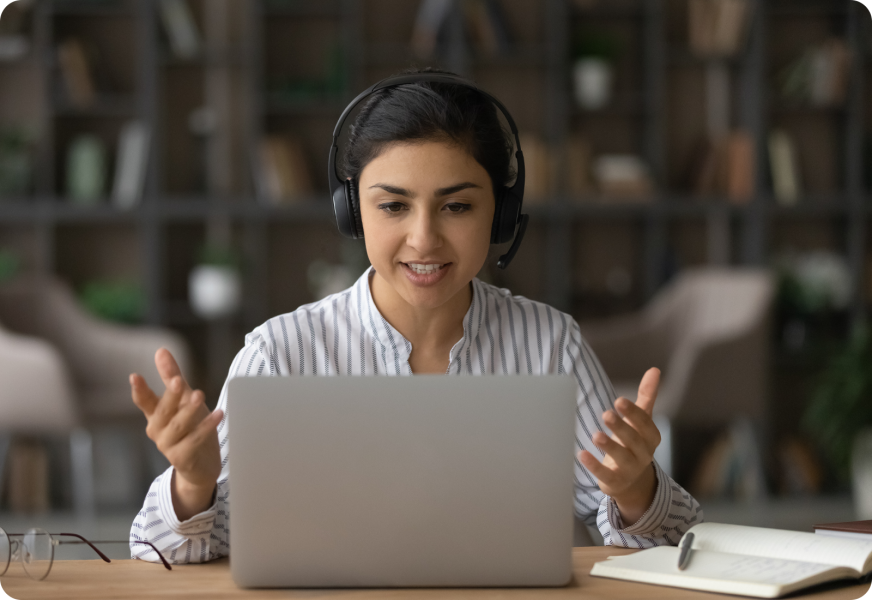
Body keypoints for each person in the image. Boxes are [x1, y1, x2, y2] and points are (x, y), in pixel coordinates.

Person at [129, 70, 702, 564]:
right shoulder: (281, 353)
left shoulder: (551, 344)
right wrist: (194, 485)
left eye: (457, 205)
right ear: (353, 210)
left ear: (500, 215)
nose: (424, 239)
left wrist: (634, 489)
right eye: (393, 205)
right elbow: (161, 554)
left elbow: (670, 549)